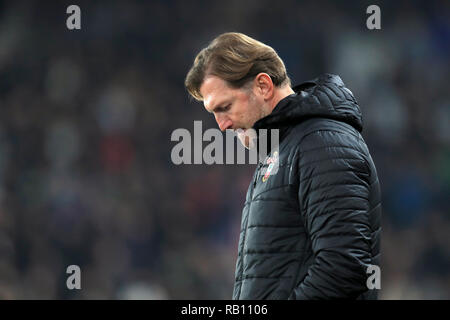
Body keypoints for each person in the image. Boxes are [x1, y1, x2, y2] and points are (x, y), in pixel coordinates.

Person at [184, 32, 381, 299]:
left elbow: (344, 268)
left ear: (263, 85)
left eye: (225, 107)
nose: (222, 125)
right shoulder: (284, 149)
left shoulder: (322, 143)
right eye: (214, 113)